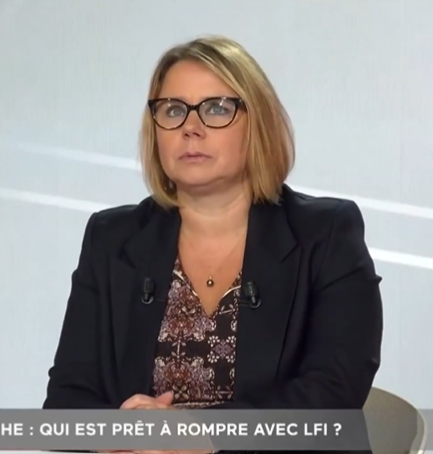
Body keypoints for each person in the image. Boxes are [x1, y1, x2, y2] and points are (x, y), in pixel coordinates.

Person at [43, 35, 383, 453]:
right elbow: (65, 405)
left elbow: (333, 395)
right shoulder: (111, 239)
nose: (191, 127)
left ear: (257, 124)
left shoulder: (326, 233)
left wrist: (201, 434)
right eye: (173, 110)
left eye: (217, 108)